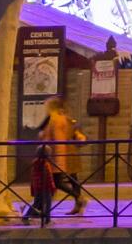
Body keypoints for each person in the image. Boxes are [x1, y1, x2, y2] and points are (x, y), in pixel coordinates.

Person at [26, 94, 84, 222]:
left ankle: (38, 212)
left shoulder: (56, 119)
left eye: (47, 105)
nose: (45, 108)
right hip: (54, 158)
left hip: (55, 158)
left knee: (52, 185)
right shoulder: (55, 118)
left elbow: (58, 142)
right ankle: (39, 211)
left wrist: (58, 161)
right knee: (50, 186)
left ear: (52, 106)